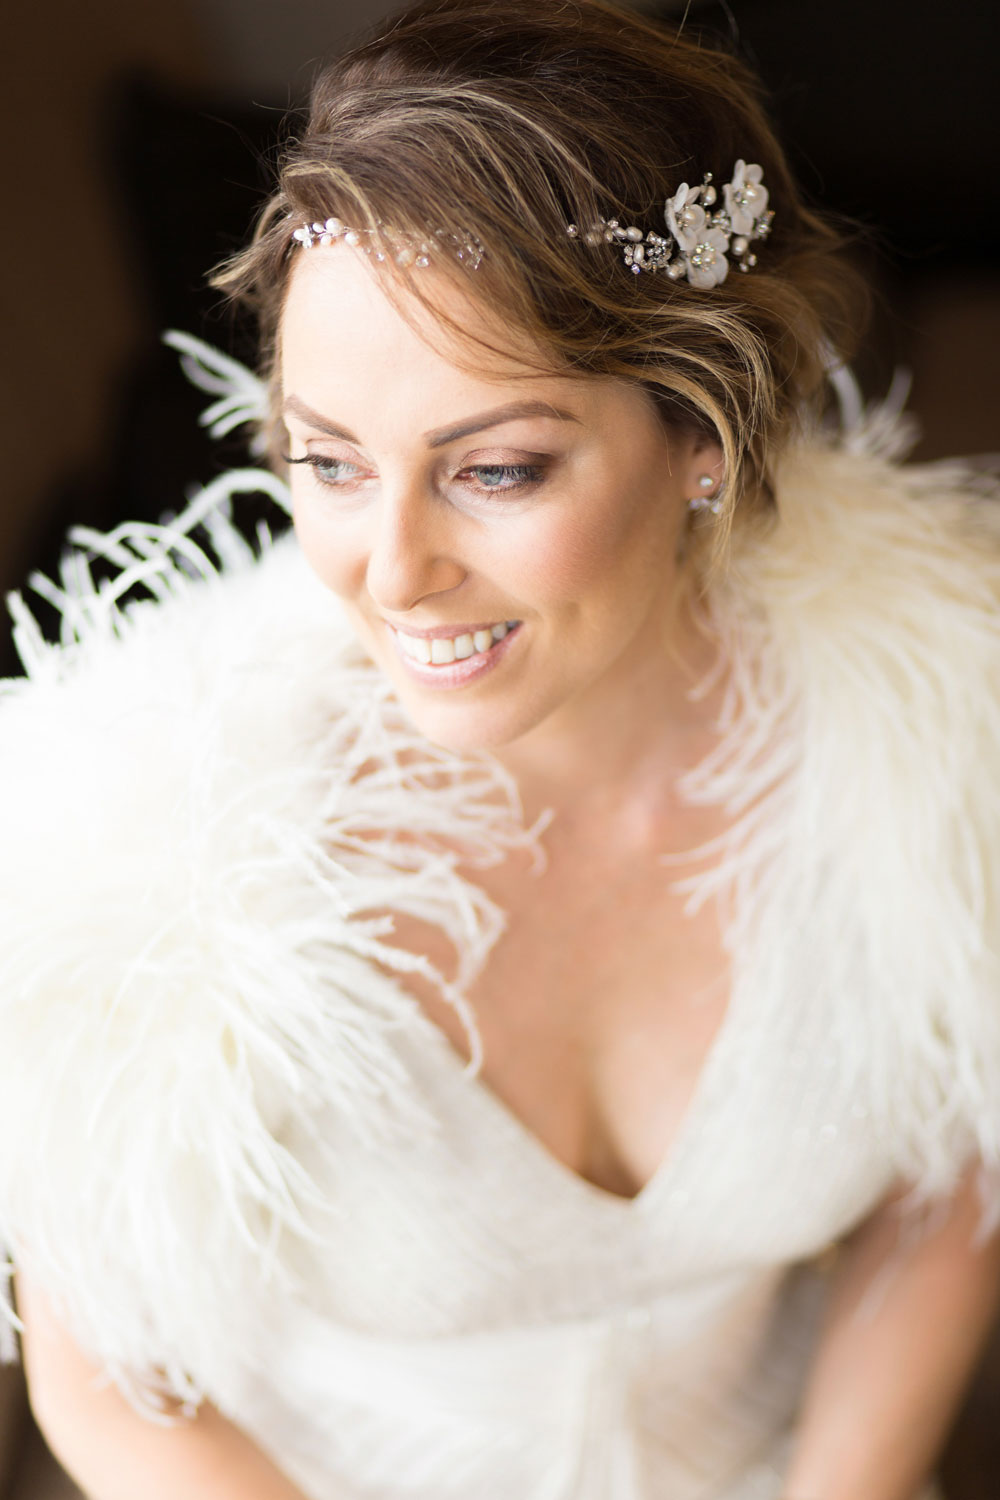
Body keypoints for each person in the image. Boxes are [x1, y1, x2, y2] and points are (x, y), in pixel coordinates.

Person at [3, 1, 1000, 1497]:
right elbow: (107, 1369)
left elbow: (956, 1149)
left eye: (495, 469)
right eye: (329, 461)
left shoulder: (940, 718)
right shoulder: (144, 831)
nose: (389, 569)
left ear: (701, 432)